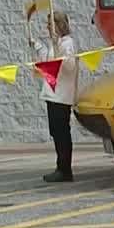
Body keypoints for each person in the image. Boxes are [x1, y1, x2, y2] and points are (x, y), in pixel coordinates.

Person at [29, 10, 80, 182]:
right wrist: (37, 46)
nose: (48, 28)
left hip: (62, 95)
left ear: (59, 25)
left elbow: (69, 66)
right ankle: (61, 166)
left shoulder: (67, 44)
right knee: (55, 132)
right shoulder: (55, 43)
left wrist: (59, 51)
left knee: (61, 132)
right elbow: (48, 62)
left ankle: (65, 169)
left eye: (50, 24)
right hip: (52, 93)